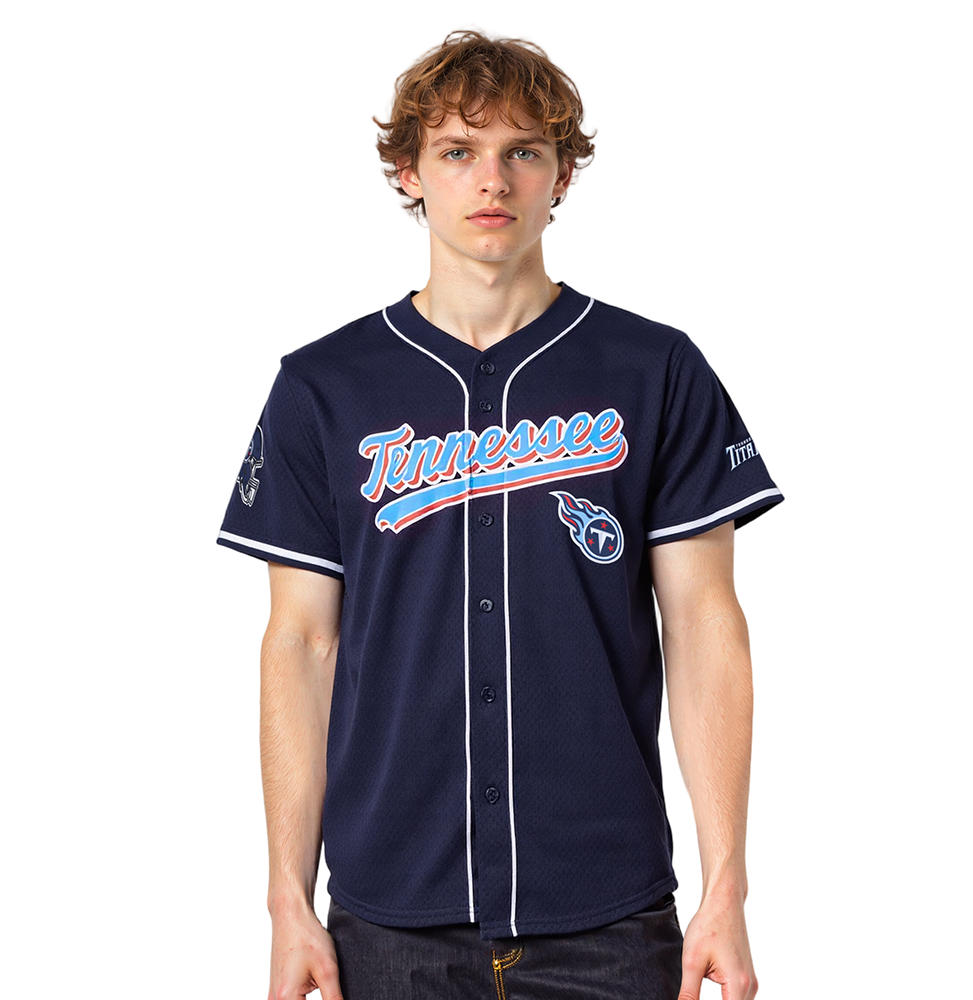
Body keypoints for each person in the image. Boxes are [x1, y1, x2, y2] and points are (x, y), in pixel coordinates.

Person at [218, 30, 782, 1000]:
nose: (493, 180)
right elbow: (301, 645)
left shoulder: (653, 370)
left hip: (608, 912)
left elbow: (703, 623)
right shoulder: (323, 387)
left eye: (523, 150)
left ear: (562, 173)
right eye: (457, 151)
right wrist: (287, 901)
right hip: (390, 918)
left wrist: (725, 886)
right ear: (409, 172)